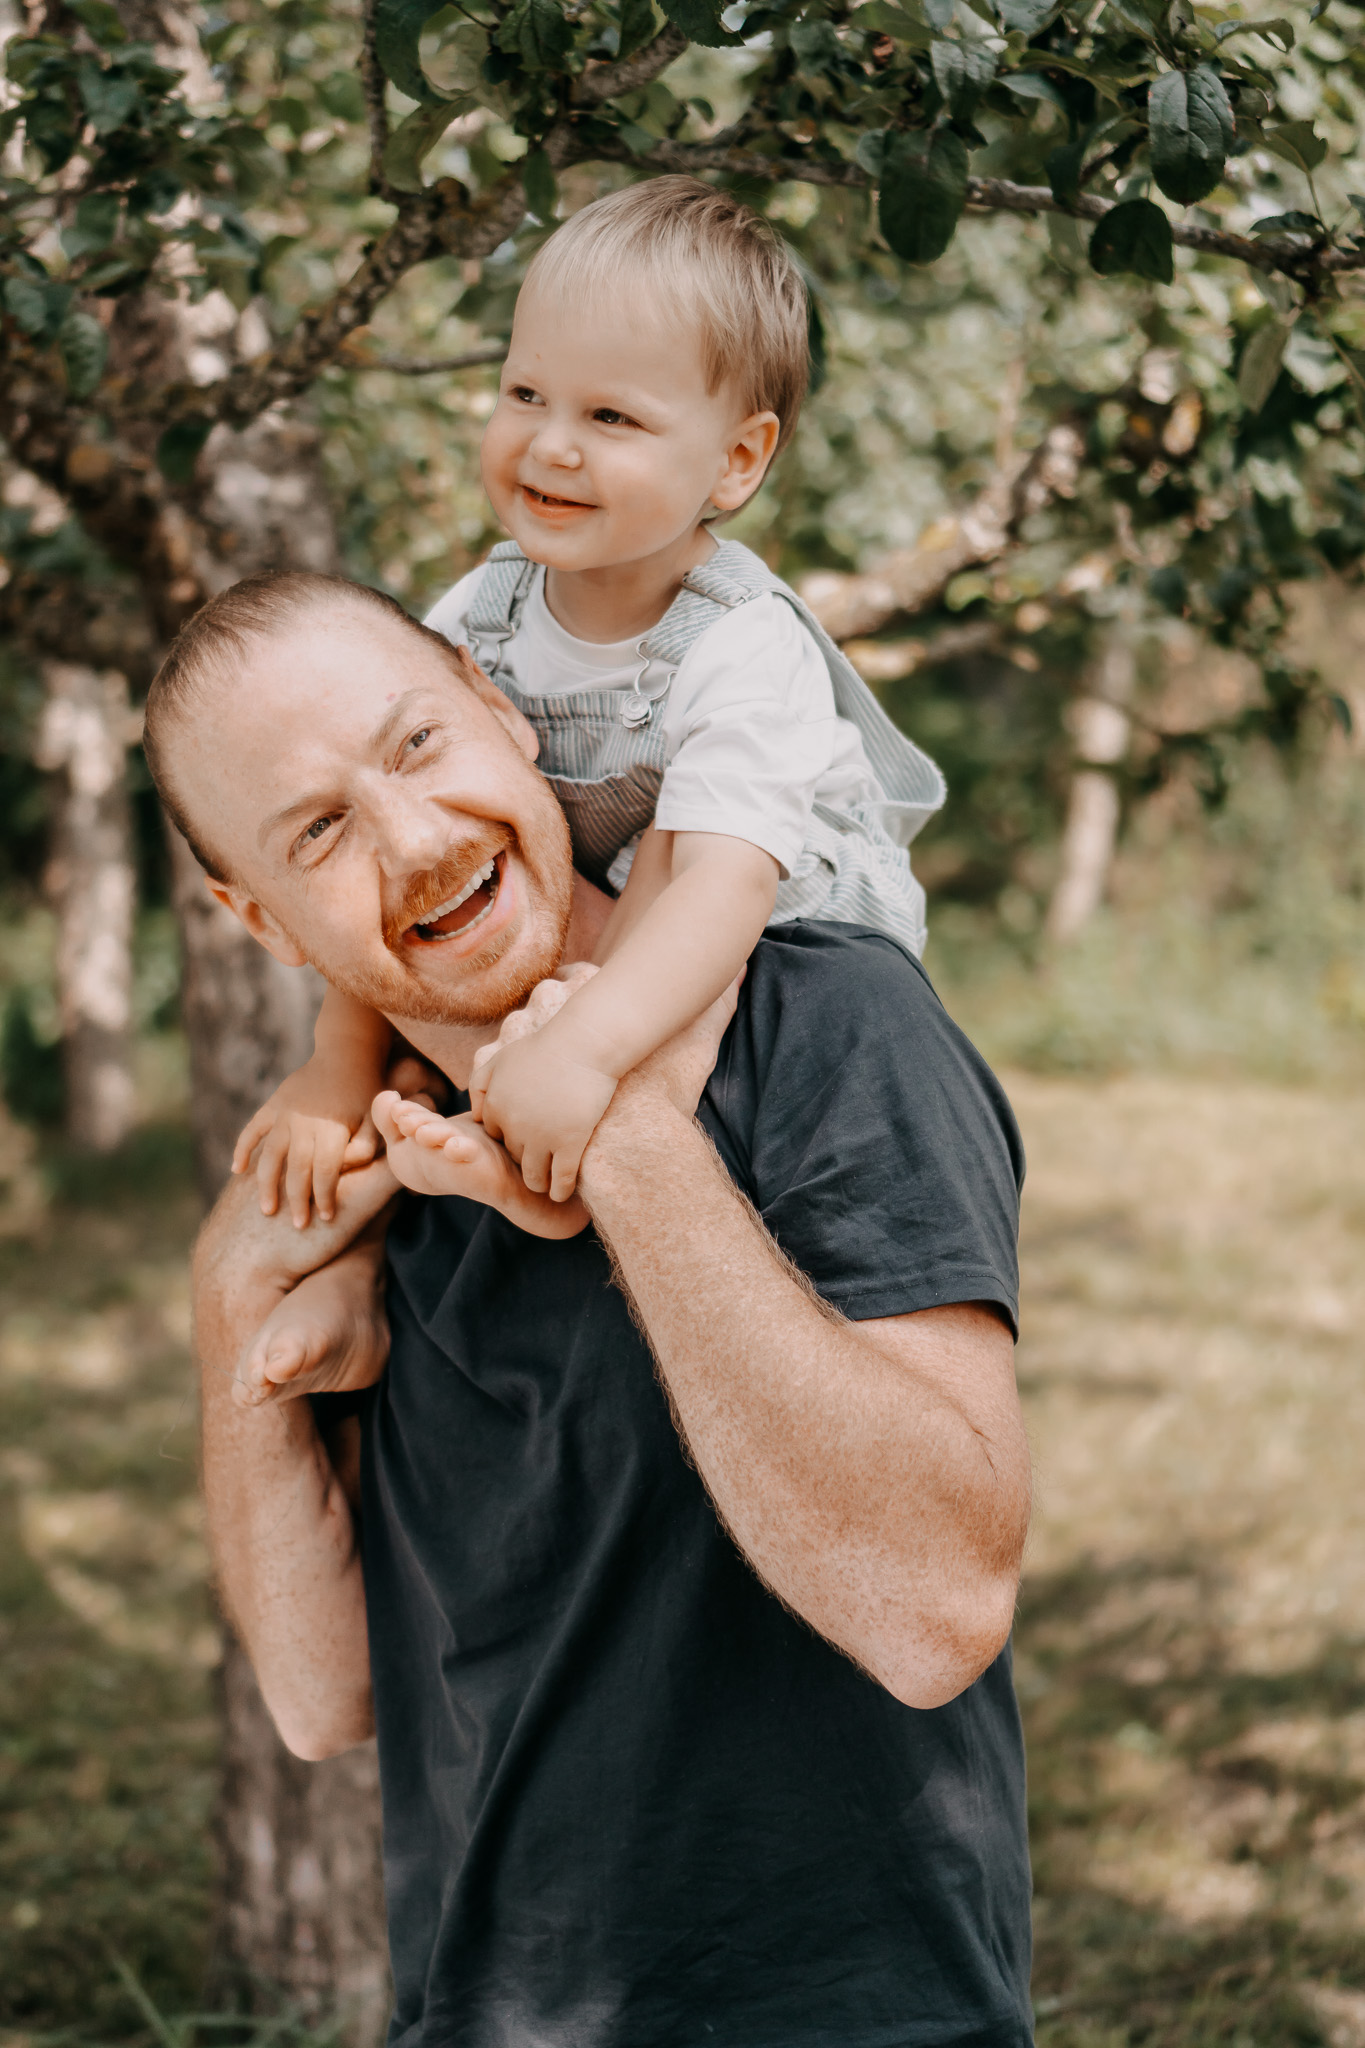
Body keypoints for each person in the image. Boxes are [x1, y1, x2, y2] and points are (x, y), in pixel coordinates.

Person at [143, 570, 1035, 2046]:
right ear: (260, 918)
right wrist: (227, 1307)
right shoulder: (385, 1173)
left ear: (503, 711)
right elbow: (320, 1695)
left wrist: (626, 1139)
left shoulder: (830, 1023)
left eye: (418, 744)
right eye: (317, 832)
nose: (417, 841)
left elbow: (935, 1613)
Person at [231, 177, 945, 1225]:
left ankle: (581, 1159)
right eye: (526, 394)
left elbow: (722, 889)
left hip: (778, 933)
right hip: (607, 932)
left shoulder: (742, 643)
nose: (551, 444)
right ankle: (517, 1156)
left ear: (736, 461)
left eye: (611, 415)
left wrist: (583, 1046)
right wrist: (335, 1064)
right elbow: (394, 838)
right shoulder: (480, 613)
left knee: (672, 858)